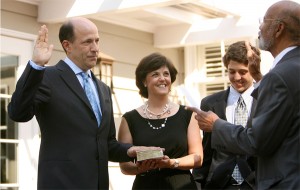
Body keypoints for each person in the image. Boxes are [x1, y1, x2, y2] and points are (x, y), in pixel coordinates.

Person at [8, 17, 162, 189]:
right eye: (87, 42)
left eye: (97, 41)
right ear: (67, 45)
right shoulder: (46, 77)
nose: (95, 48)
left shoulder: (103, 89)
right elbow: (18, 113)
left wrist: (129, 151)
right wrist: (36, 65)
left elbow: (106, 143)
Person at [187, 1, 300, 189]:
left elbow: (256, 141)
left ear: (279, 28)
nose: (260, 27)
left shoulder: (280, 75)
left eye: (264, 21)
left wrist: (216, 125)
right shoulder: (287, 71)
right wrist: (259, 77)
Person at [117, 52, 203, 189]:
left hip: (182, 186)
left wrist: (172, 163)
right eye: (155, 74)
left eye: (166, 74)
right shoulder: (129, 119)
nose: (162, 78)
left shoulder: (187, 114)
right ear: (144, 81)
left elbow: (198, 157)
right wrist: (141, 168)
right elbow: (124, 166)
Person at [192, 41, 260, 190]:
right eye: (231, 71)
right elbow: (207, 150)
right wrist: (197, 184)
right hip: (220, 184)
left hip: (257, 183)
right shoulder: (210, 103)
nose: (236, 77)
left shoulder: (264, 100)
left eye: (243, 72)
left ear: (253, 70)